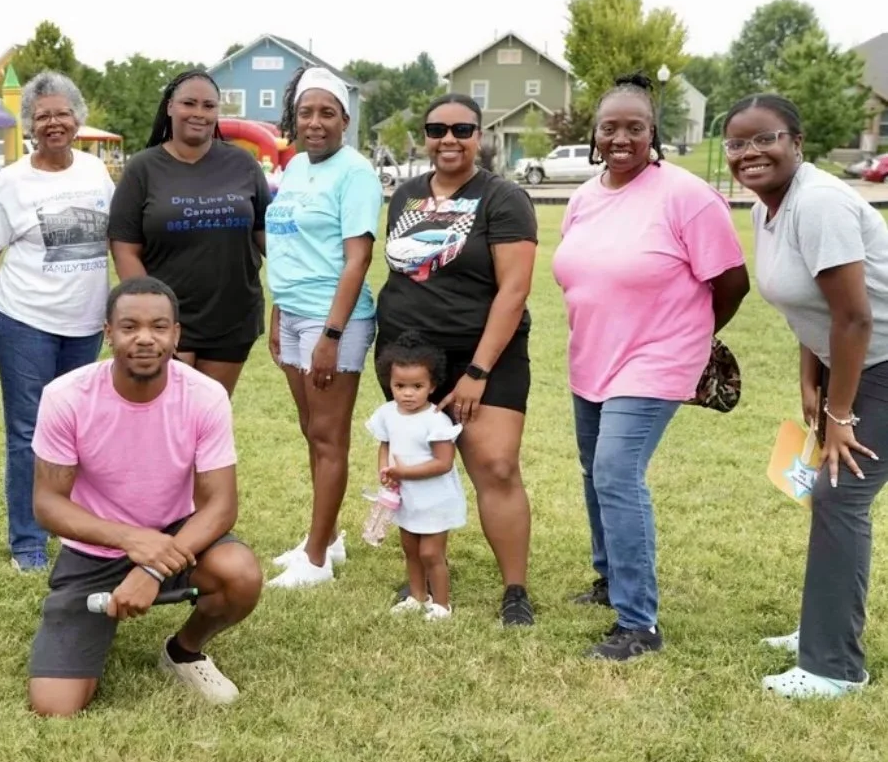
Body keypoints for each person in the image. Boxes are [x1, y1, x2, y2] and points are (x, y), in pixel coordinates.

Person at [552, 73, 750, 660]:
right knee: (594, 471)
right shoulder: (586, 198)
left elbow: (732, 281)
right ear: (594, 134)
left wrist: (691, 333)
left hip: (658, 357)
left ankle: (639, 623)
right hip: (592, 353)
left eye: (634, 127)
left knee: (616, 472)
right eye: (609, 127)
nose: (620, 138)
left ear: (652, 133)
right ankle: (609, 578)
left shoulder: (686, 195)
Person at [27, 276, 262, 716]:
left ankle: (184, 651)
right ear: (108, 333)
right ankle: (93, 620)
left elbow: (221, 505)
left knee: (240, 573)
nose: (144, 338)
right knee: (54, 707)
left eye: (158, 327)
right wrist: (131, 541)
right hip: (94, 547)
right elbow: (48, 503)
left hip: (174, 540)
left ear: (176, 335)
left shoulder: (205, 396)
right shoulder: (66, 397)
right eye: (129, 326)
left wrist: (152, 567)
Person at [724, 94, 888, 698]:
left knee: (840, 496)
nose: (749, 153)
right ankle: (822, 628)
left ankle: (834, 667)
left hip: (880, 363)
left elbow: (854, 317)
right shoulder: (769, 208)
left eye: (764, 139)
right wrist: (809, 381)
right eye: (737, 143)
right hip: (851, 363)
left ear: (797, 142)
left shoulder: (817, 204)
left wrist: (840, 413)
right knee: (829, 498)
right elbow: (809, 307)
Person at [375, 93, 538, 626]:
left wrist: (476, 372)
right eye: (438, 129)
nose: (449, 138)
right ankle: (422, 573)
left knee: (494, 465)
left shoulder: (503, 198)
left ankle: (515, 589)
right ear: (425, 135)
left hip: (484, 351)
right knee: (417, 463)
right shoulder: (405, 196)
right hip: (411, 356)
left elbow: (513, 291)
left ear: (480, 135)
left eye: (462, 129)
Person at [0, 71, 114, 572]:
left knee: (78, 432)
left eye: (61, 113)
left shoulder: (97, 173)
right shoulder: (12, 181)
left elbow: (113, 242)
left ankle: (77, 529)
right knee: (27, 432)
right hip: (23, 321)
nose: (53, 122)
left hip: (85, 325)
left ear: (77, 119)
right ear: (29, 126)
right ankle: (28, 544)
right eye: (42, 116)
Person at [266, 66, 381, 588]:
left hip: (332, 319)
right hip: (293, 313)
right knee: (311, 431)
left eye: (326, 113)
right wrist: (277, 312)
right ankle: (327, 540)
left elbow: (357, 260)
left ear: (345, 120)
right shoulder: (292, 170)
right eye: (306, 112)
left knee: (330, 437)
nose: (315, 122)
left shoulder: (355, 173)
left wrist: (331, 337)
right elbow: (288, 244)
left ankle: (315, 559)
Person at [109, 70, 270, 397]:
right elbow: (125, 249)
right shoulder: (143, 169)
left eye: (209, 106)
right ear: (170, 107)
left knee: (209, 416)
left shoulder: (243, 164)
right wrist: (151, 318)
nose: (199, 113)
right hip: (163, 321)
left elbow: (267, 237)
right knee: (162, 418)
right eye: (189, 103)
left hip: (232, 316)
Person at [367, 333, 466, 621]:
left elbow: (444, 462)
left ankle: (442, 605)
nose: (407, 393)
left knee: (431, 554)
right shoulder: (386, 414)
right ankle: (417, 595)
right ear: (390, 383)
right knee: (410, 548)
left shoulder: (436, 419)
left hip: (434, 499)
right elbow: (385, 445)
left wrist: (403, 472)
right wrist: (385, 470)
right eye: (400, 386)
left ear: (432, 385)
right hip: (405, 496)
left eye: (417, 386)